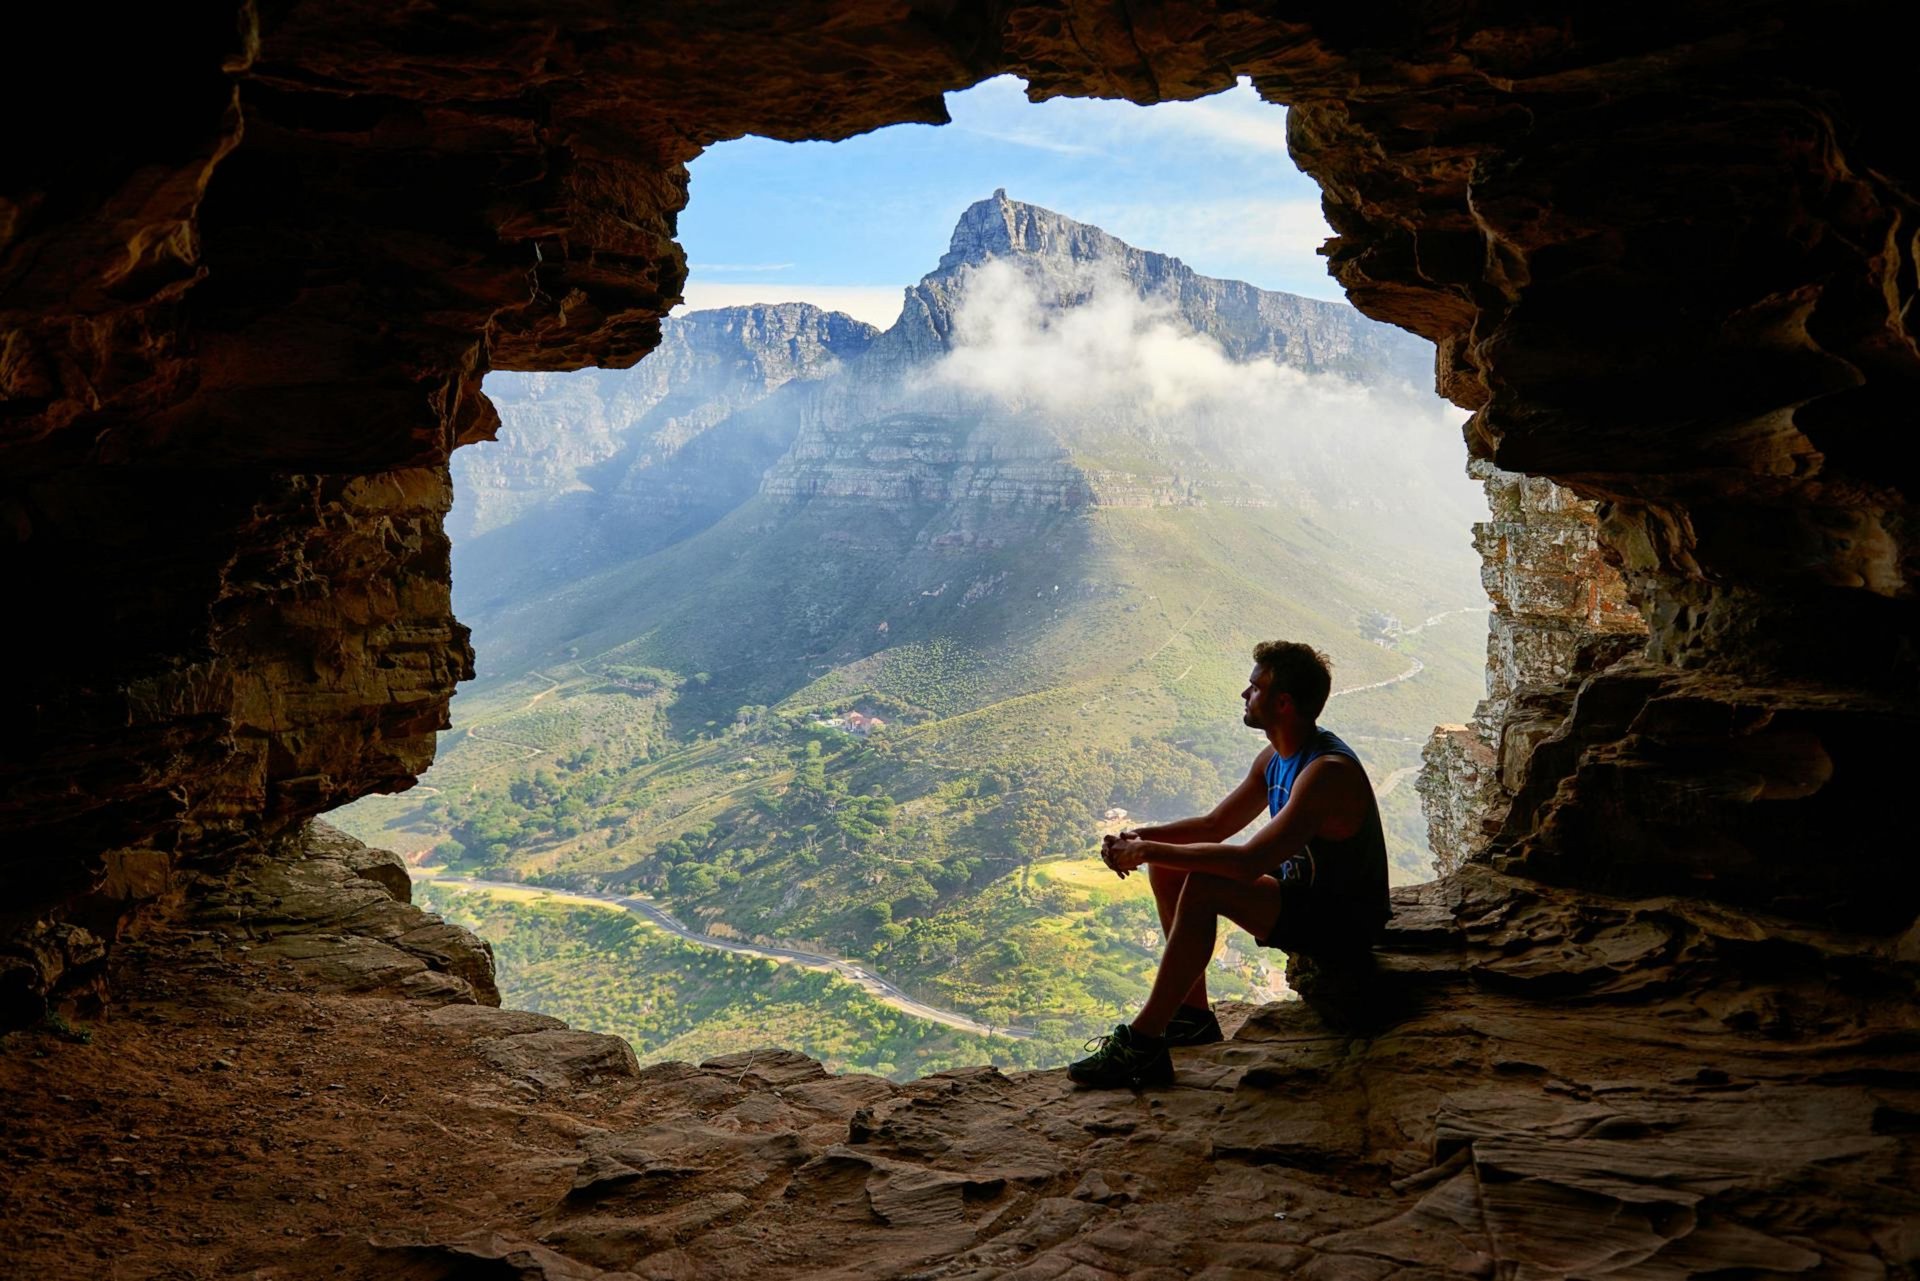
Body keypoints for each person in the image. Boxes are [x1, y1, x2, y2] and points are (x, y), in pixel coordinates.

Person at [1067, 640, 1390, 1088]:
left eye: (1254, 687)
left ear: (1283, 703)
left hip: (1341, 921)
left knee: (1204, 886)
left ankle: (1141, 1045)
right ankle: (1192, 1018)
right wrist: (1141, 839)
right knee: (1171, 869)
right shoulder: (1277, 758)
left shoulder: (1325, 772)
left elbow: (1248, 861)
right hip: (1303, 898)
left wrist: (1146, 852)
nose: (1244, 694)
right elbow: (1215, 824)